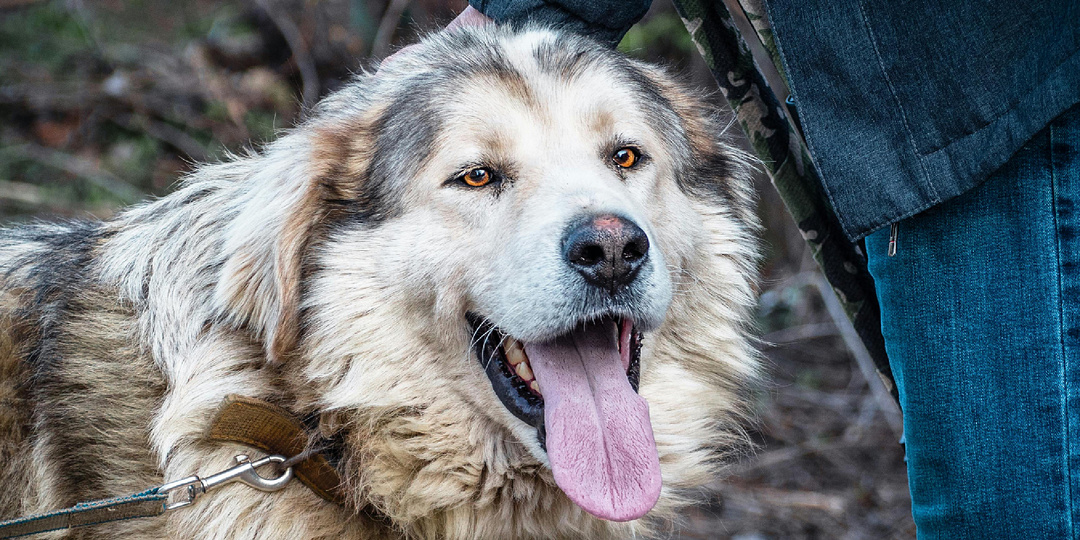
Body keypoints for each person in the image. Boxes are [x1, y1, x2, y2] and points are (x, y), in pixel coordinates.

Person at [422, 1, 1080, 537]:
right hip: (944, 99)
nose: (608, 238)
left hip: (992, 91)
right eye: (481, 175)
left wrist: (523, 10)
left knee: (1007, 513)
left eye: (625, 159)